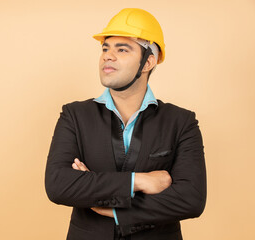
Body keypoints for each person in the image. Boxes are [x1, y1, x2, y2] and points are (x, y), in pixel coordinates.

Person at [45, 8, 206, 240]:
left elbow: (190, 199)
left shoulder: (181, 122)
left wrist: (113, 209)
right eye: (105, 48)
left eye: (122, 49)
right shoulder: (74, 115)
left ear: (148, 61)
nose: (107, 56)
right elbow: (59, 185)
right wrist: (140, 181)